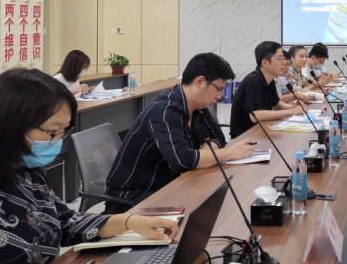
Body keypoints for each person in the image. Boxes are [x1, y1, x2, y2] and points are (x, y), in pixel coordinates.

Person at [0, 69, 179, 264]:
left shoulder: (28, 172)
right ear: (10, 124)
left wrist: (128, 222)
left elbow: (64, 222)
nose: (56, 142)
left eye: (63, 132)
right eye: (52, 132)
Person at [105, 53, 254, 213]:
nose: (219, 96)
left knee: (218, 204)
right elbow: (182, 161)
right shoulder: (165, 110)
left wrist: (202, 155)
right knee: (204, 211)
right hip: (133, 197)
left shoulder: (198, 106)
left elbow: (218, 137)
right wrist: (230, 153)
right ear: (199, 82)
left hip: (169, 185)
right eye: (218, 89)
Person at [230, 42, 304, 138]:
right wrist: (291, 112)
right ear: (265, 63)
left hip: (261, 130)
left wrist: (293, 108)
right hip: (245, 136)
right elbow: (255, 115)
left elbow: (276, 104)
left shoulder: (270, 79)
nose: (284, 62)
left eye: (283, 58)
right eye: (279, 58)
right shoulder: (254, 80)